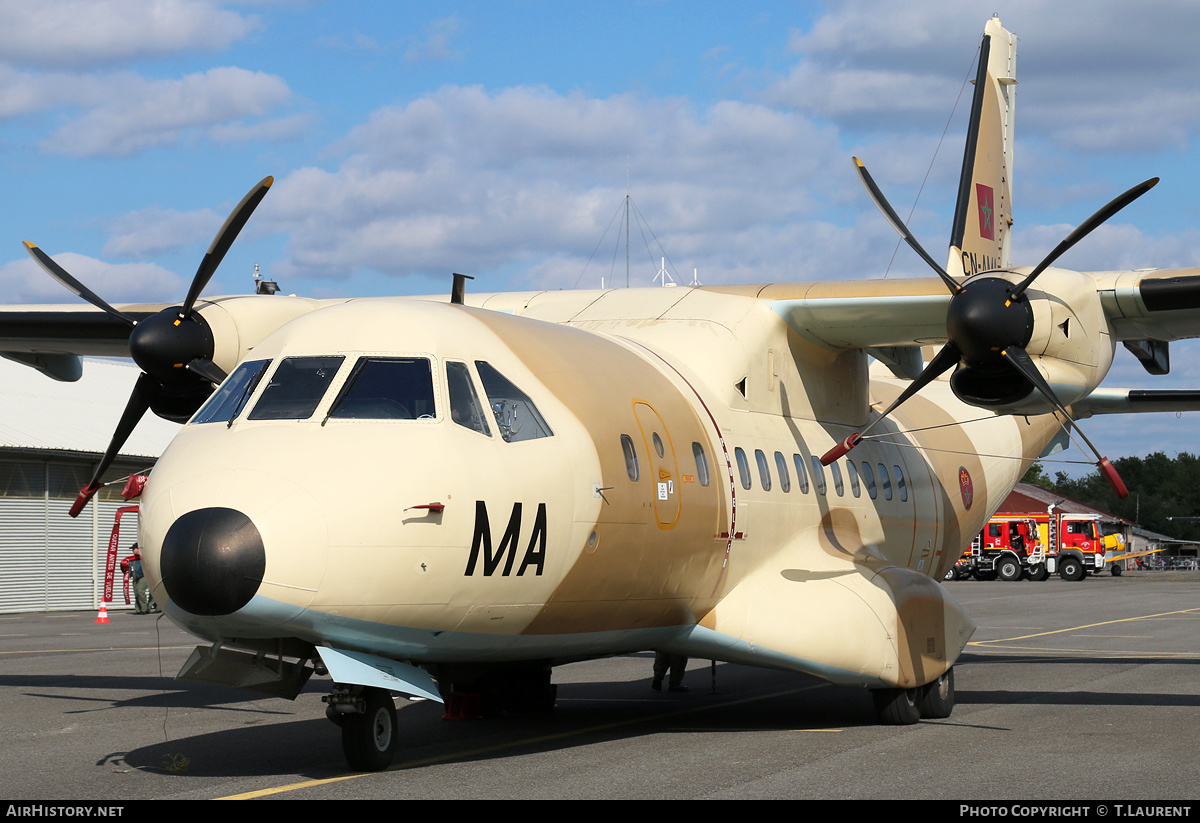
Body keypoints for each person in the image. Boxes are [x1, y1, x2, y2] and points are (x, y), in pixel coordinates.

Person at [122, 544, 158, 615]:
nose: (133, 550)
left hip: (144, 576)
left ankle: (145, 608)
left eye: (134, 549)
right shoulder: (132, 558)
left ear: (138, 549)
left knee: (140, 591)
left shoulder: (145, 557)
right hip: (135, 576)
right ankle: (138, 609)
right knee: (136, 593)